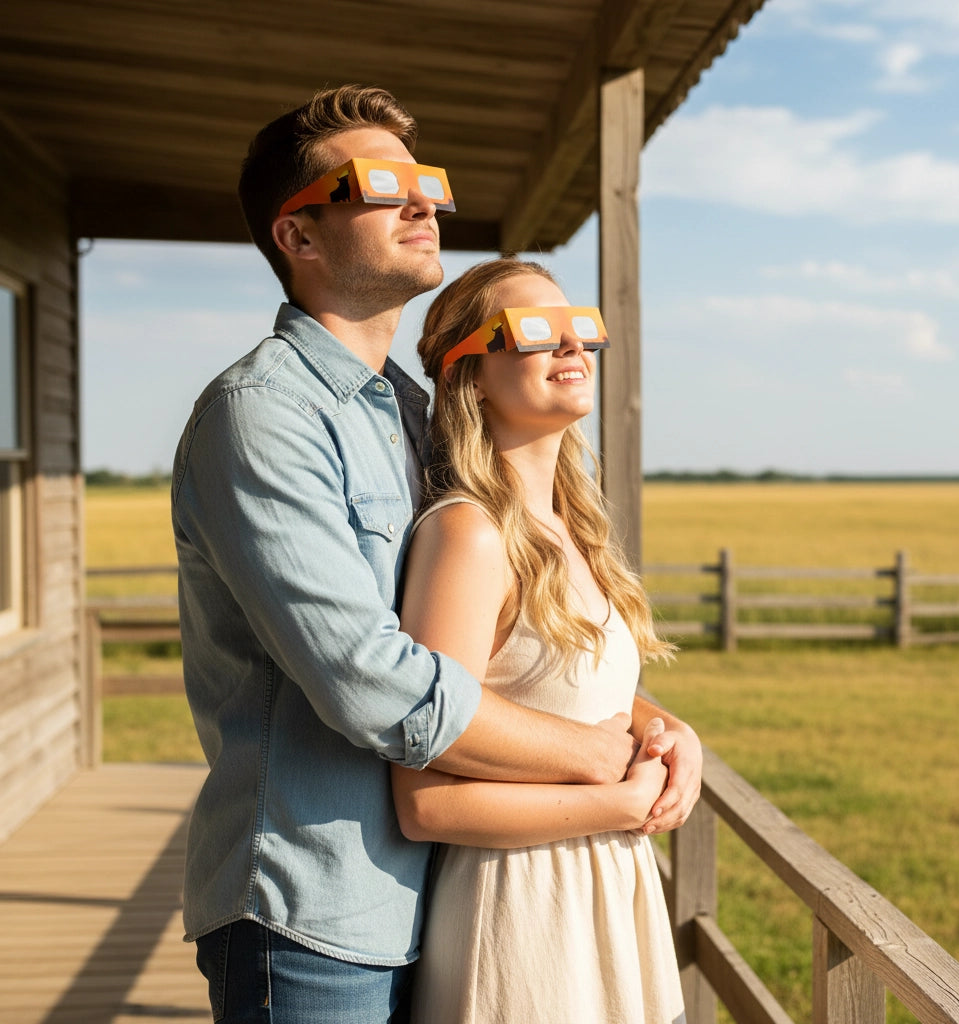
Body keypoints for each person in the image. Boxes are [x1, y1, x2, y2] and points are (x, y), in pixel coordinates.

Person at [170, 85, 702, 1024]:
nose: (425, 205)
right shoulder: (261, 417)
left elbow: (516, 645)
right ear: (298, 237)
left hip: (434, 897)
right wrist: (599, 759)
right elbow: (371, 680)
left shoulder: (407, 419)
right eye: (383, 186)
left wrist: (650, 722)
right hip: (313, 907)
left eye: (429, 184)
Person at [392, 256, 690, 1023]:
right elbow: (425, 803)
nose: (570, 347)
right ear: (470, 373)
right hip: (525, 916)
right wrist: (622, 804)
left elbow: (579, 694)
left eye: (580, 329)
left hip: (606, 893)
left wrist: (666, 728)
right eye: (532, 331)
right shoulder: (468, 535)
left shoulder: (571, 528)